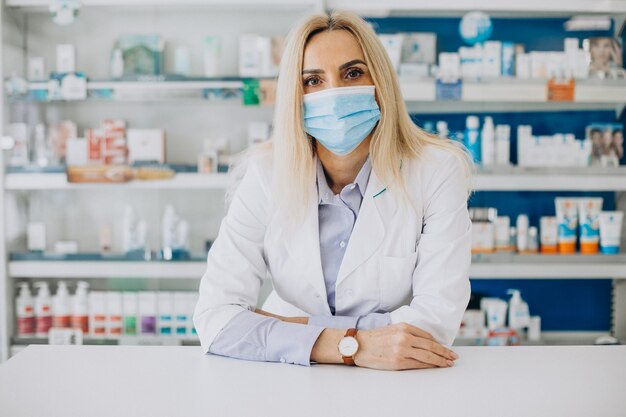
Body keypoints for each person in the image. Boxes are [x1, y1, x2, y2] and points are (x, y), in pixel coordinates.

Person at [194, 11, 473, 371]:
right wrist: (351, 346)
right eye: (312, 80)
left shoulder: (436, 170)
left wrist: (285, 329)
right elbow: (215, 320)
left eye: (353, 73)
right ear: (294, 94)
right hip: (287, 382)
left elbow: (432, 326)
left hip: (394, 386)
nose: (334, 93)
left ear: (380, 82)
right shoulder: (265, 173)